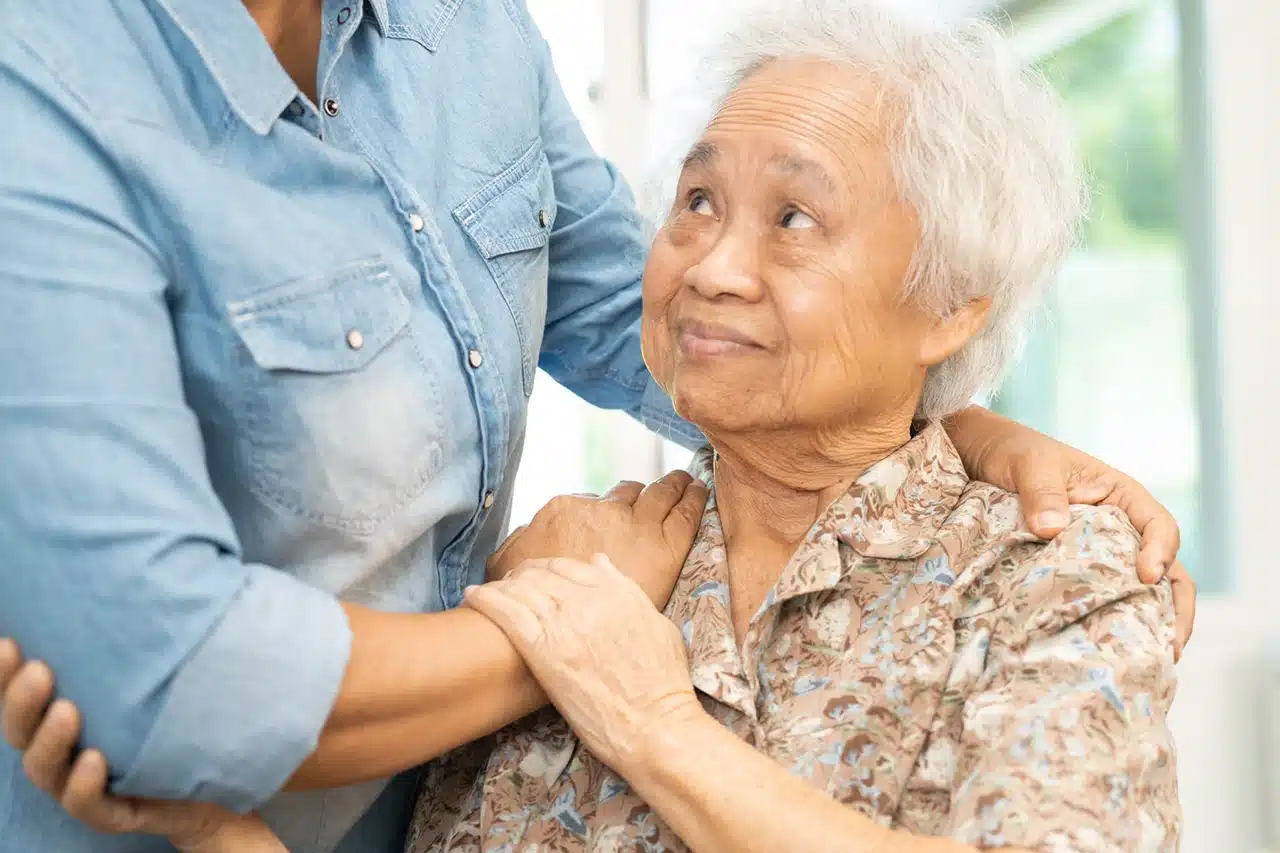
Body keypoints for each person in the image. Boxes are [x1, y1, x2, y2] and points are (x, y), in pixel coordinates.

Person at [0, 0, 1193, 851]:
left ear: (950, 300)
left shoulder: (1050, 574)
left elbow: (641, 309)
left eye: (792, 219)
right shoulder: (576, 576)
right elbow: (166, 682)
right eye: (696, 199)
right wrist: (213, 829)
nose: (713, 263)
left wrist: (972, 429)